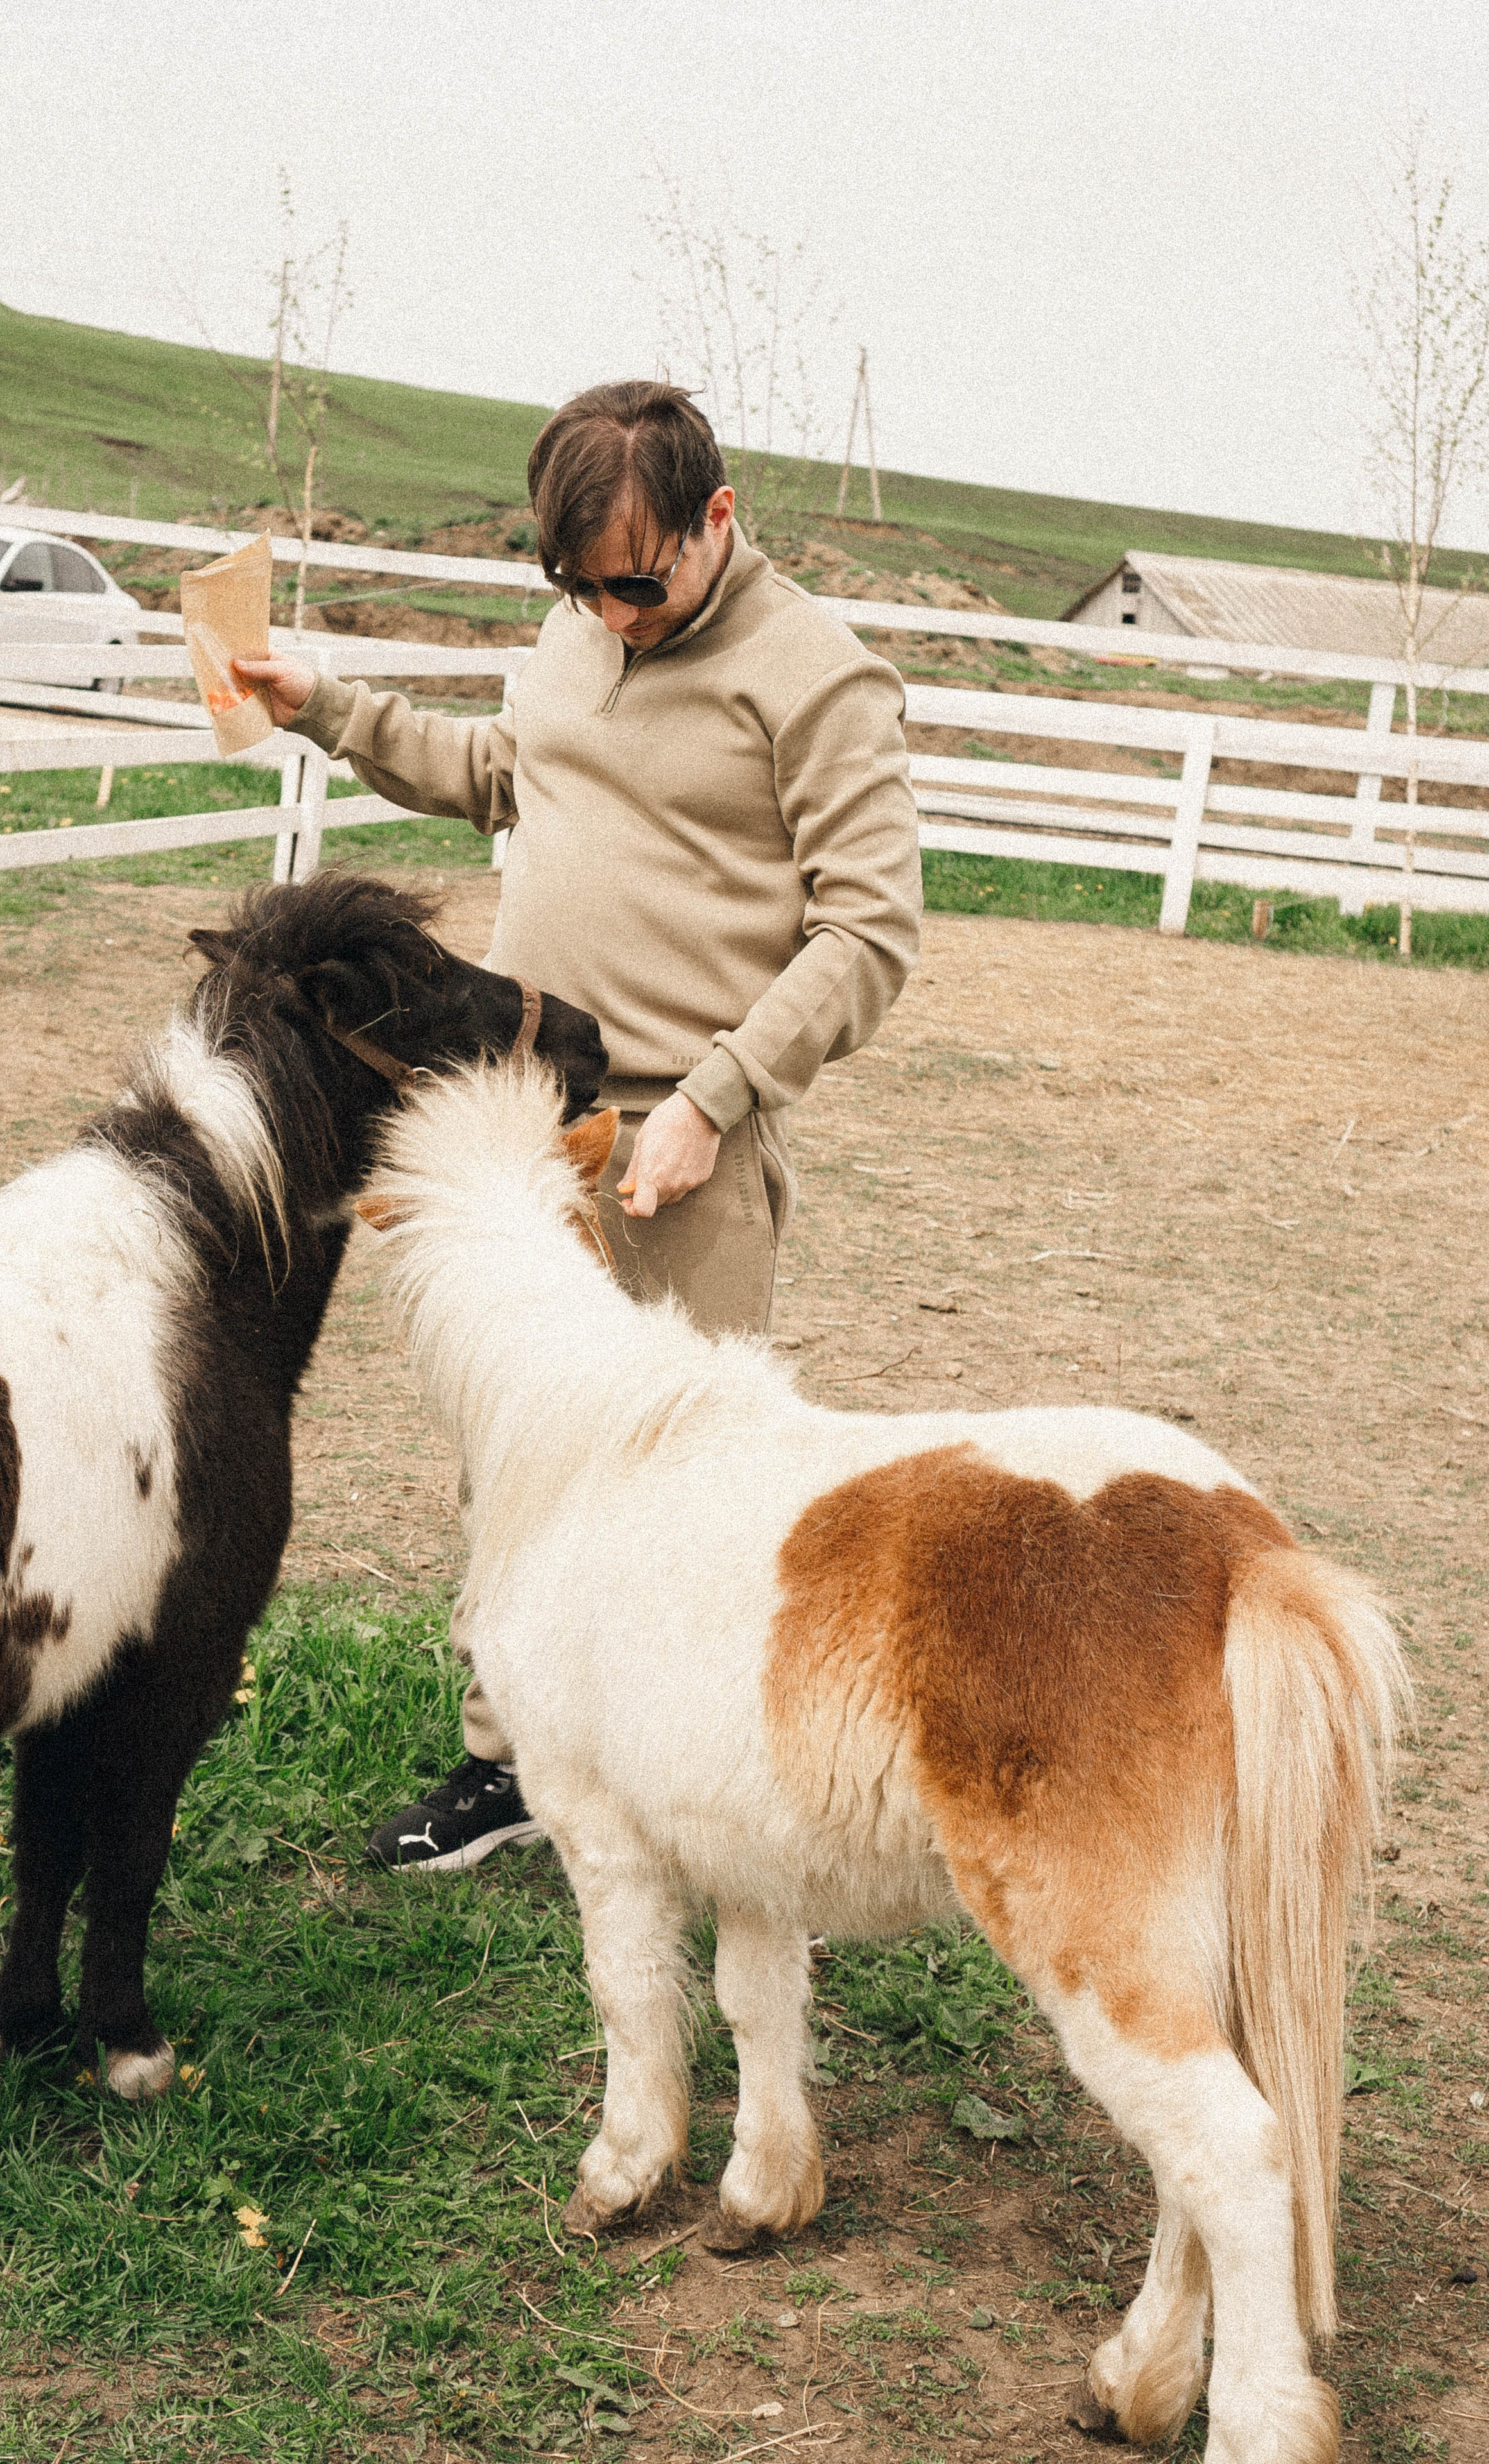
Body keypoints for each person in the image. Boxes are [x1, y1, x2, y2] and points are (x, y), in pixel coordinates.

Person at [237, 380, 922, 1872]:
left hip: (685, 1135)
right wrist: (331, 711)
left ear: (716, 519)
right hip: (531, 1116)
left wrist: (713, 1100)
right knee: (518, 1455)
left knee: (681, 1484)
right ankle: (511, 1768)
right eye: (576, 586)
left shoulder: (819, 680)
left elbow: (869, 930)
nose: (609, 614)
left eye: (635, 581)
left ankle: (691, 1798)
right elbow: (508, 779)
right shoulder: (580, 623)